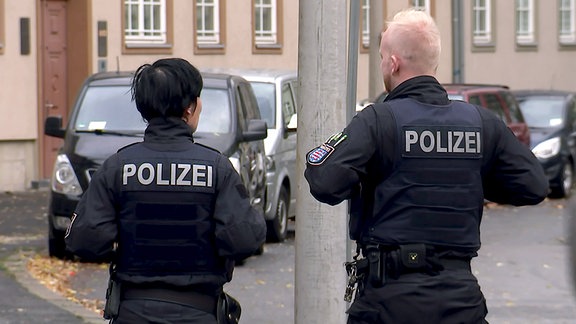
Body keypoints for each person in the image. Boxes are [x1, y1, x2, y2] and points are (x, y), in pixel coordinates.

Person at [304, 8, 548, 324]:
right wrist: (469, 174)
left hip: (389, 302)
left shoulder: (378, 121)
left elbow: (324, 179)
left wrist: (365, 178)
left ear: (392, 63)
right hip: (460, 303)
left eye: (381, 57)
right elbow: (534, 186)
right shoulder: (481, 123)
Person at [65, 58, 266, 323]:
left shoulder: (117, 167)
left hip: (133, 312)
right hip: (199, 313)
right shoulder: (217, 168)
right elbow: (245, 240)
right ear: (190, 107)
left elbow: (83, 240)